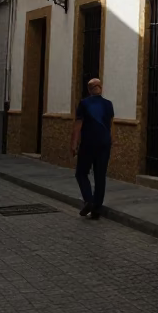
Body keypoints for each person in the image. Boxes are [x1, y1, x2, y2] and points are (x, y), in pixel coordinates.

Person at [71, 78, 114, 219]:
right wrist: (109, 140)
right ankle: (96, 210)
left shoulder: (84, 104)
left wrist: (74, 144)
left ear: (89, 89)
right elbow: (110, 125)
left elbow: (78, 125)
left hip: (88, 144)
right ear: (100, 88)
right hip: (104, 144)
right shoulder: (108, 104)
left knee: (81, 173)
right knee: (100, 176)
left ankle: (88, 200)